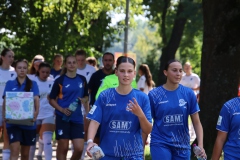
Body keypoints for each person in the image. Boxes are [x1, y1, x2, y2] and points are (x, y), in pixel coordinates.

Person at [86, 56, 152, 159]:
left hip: (133, 155)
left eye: (130, 71)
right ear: (116, 72)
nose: (126, 75)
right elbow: (94, 121)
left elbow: (148, 130)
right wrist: (90, 141)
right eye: (122, 71)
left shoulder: (142, 98)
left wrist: (140, 115)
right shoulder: (105, 96)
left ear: (134, 73)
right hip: (108, 154)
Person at [148, 59, 206, 160]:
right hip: (160, 142)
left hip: (182, 145)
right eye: (174, 70)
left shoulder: (188, 93)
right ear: (165, 72)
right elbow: (147, 122)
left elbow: (196, 122)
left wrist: (200, 145)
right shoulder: (154, 94)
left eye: (180, 70)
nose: (178, 73)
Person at [49, 55, 89, 160]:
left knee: (79, 148)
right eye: (69, 63)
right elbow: (51, 99)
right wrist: (61, 109)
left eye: (74, 62)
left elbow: (86, 96)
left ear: (77, 64)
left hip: (77, 118)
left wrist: (84, 100)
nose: (72, 65)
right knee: (63, 147)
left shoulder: (82, 79)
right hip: (62, 117)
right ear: (65, 65)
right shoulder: (60, 80)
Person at [2, 59, 40, 160]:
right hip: (13, 123)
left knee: (25, 154)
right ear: (15, 69)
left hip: (29, 123)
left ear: (27, 69)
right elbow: (6, 100)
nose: (22, 70)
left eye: (24, 68)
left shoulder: (33, 84)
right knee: (14, 150)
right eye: (19, 68)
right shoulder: (10, 83)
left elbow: (36, 99)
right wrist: (4, 114)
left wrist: (36, 113)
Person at [29, 62, 55, 160]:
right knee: (32, 141)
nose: (45, 74)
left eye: (47, 72)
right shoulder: (32, 81)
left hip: (48, 113)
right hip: (34, 114)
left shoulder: (53, 82)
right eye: (43, 72)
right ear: (38, 71)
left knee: (47, 140)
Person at [0, 48, 17, 160]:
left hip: (10, 106)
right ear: (2, 57)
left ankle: (6, 157)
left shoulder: (15, 72)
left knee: (7, 133)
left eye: (12, 56)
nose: (11, 58)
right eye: (9, 56)